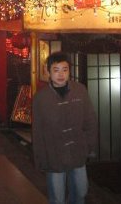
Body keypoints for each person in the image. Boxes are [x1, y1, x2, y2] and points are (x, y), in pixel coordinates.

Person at [32, 52, 98, 204]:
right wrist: (40, 158)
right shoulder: (41, 98)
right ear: (48, 72)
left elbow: (90, 120)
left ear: (70, 71)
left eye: (65, 69)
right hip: (54, 154)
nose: (61, 74)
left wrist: (90, 146)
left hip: (78, 151)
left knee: (81, 192)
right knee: (57, 198)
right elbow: (37, 131)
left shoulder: (80, 90)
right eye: (56, 70)